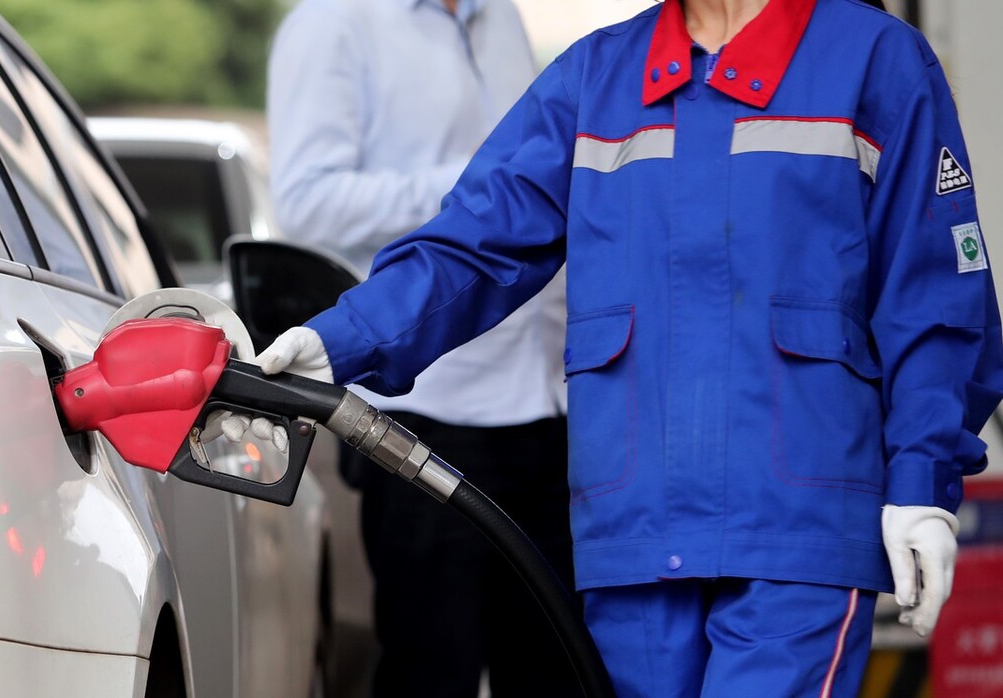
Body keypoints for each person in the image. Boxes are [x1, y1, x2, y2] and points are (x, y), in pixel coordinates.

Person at [235, 0, 1003, 694]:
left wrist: (920, 479)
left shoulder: (874, 60)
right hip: (634, 535)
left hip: (796, 530)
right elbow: (472, 245)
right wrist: (337, 340)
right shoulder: (597, 76)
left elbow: (934, 297)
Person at [260, 1, 580, 696]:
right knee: (434, 666)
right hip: (424, 409)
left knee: (557, 667)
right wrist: (491, 192)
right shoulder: (333, 23)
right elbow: (306, 200)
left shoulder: (501, 18)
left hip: (546, 401)